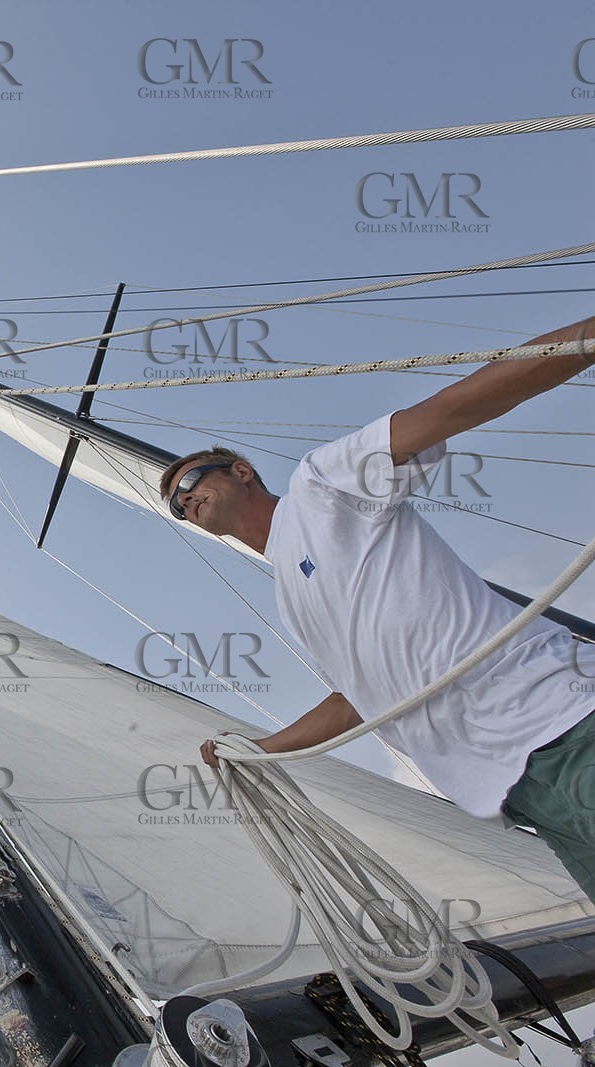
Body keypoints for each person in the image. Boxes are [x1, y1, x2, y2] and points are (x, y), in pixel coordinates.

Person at [160, 316, 595, 898]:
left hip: (559, 722)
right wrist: (262, 749)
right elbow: (361, 700)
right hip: (519, 790)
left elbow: (453, 408)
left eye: (190, 479)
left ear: (241, 472)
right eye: (177, 506)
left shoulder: (320, 487)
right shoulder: (294, 601)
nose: (185, 498)